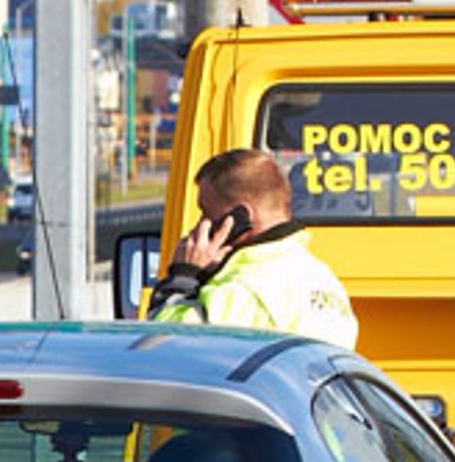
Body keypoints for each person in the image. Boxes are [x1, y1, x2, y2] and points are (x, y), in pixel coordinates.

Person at [146, 148, 358, 347]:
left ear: (241, 216)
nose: (201, 224)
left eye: (206, 212)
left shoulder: (244, 288)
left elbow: (164, 346)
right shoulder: (323, 278)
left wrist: (183, 277)